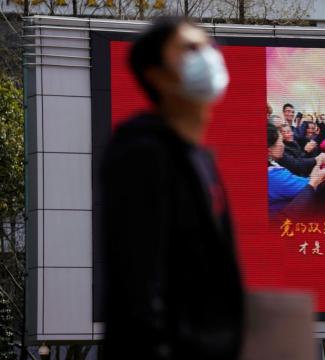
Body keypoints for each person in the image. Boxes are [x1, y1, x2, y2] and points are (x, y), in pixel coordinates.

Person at [100, 18, 244, 359]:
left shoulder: (198, 159)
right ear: (157, 75)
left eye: (208, 46)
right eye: (190, 48)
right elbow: (138, 279)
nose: (208, 57)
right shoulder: (140, 152)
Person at [267, 123, 325, 216]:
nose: (282, 145)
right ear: (268, 150)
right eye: (280, 141)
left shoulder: (295, 142)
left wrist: (318, 164)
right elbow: (309, 186)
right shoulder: (274, 176)